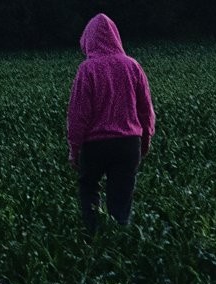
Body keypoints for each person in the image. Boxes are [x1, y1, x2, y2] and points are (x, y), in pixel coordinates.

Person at [64, 13, 156, 229]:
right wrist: (145, 140)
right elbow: (145, 109)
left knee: (89, 189)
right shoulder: (132, 66)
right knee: (121, 197)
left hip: (95, 145)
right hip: (128, 143)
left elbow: (78, 114)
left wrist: (74, 149)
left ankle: (94, 238)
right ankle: (119, 241)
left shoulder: (87, 70)